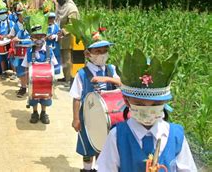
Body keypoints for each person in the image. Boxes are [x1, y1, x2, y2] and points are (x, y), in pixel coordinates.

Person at [97, 49, 197, 171]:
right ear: (127, 101)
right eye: (140, 104)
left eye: (155, 104)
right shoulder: (117, 136)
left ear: (165, 102)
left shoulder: (176, 136)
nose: (148, 110)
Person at [69, 34, 121, 171]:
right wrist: (76, 119)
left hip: (107, 116)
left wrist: (107, 79)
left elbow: (122, 84)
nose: (102, 54)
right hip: (88, 116)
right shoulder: (82, 74)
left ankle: (99, 168)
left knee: (103, 145)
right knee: (87, 145)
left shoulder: (111, 69)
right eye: (98, 51)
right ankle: (87, 169)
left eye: (104, 50)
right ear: (87, 54)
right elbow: (76, 97)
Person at [21, 10, 61, 124]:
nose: (38, 38)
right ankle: (34, 112)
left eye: (41, 36)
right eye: (35, 36)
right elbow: (25, 66)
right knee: (33, 97)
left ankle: (43, 112)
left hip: (46, 81)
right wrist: (27, 79)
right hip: (33, 81)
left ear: (45, 36)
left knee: (45, 97)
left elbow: (54, 65)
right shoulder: (29, 51)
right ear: (31, 37)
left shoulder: (49, 51)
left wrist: (53, 80)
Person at [55, 0, 80, 83]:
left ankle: (70, 79)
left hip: (68, 37)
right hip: (59, 36)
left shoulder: (71, 8)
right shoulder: (59, 7)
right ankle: (65, 77)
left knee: (67, 58)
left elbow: (74, 24)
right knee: (62, 58)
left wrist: (64, 32)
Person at [9, 6, 31, 97]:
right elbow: (12, 36)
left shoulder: (30, 25)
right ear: (18, 16)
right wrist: (14, 39)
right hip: (20, 51)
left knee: (30, 69)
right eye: (21, 15)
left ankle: (31, 87)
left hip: (29, 50)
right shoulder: (16, 25)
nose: (23, 17)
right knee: (21, 69)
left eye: (24, 15)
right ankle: (23, 87)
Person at [0, 8, 14, 80]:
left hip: (9, 42)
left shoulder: (11, 23)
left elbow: (14, 33)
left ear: (7, 14)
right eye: (0, 14)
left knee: (11, 58)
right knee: (2, 58)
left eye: (3, 14)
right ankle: (3, 72)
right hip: (1, 43)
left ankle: (14, 73)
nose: (1, 15)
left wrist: (9, 36)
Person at [46, 12, 62, 78]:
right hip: (47, 45)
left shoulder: (57, 26)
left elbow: (60, 35)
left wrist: (56, 36)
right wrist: (47, 37)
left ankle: (56, 73)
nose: (50, 20)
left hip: (55, 45)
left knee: (56, 57)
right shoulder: (45, 27)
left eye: (52, 18)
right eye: (49, 18)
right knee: (47, 58)